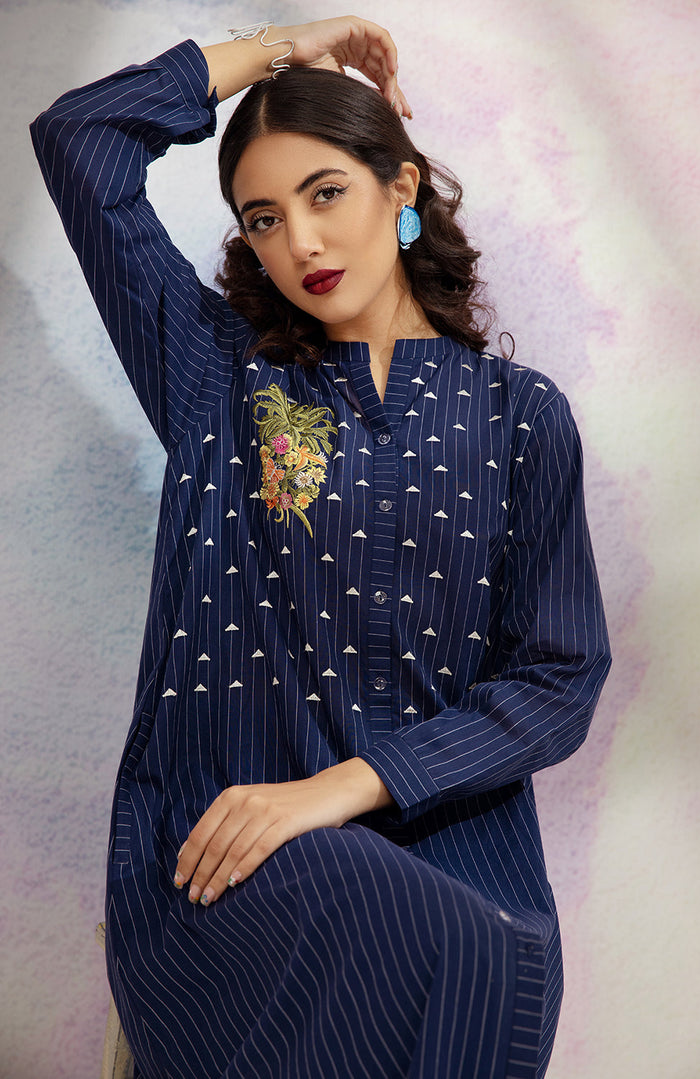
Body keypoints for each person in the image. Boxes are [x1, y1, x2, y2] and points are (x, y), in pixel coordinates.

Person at [31, 15, 611, 1079]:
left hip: (455, 860)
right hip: (229, 857)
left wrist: (352, 783)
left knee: (478, 947)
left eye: (325, 192)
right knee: (374, 907)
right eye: (264, 216)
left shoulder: (521, 417)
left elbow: (559, 676)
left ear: (401, 187)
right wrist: (280, 48)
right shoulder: (221, 380)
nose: (299, 241)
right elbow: (80, 136)